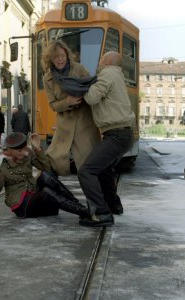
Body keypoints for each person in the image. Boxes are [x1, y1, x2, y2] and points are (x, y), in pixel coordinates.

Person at [76, 51, 136, 227]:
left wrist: (83, 90)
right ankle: (114, 205)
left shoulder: (108, 73)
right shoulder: (117, 75)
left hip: (116, 134)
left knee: (86, 171)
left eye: (102, 58)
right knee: (103, 169)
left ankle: (101, 214)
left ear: (108, 62)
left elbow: (92, 98)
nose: (99, 60)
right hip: (122, 134)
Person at [0, 132, 89, 219]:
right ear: (10, 150)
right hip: (22, 204)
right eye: (19, 151)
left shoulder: (27, 152)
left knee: (46, 176)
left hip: (33, 192)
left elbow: (47, 169)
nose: (23, 153)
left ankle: (78, 205)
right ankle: (85, 212)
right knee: (46, 192)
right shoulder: (0, 163)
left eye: (24, 149)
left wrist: (37, 148)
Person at [42, 40, 100, 176]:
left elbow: (92, 87)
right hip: (64, 126)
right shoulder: (47, 78)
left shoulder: (79, 69)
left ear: (67, 55)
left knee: (87, 165)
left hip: (84, 122)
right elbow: (52, 104)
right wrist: (67, 101)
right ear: (50, 59)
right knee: (55, 160)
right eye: (56, 57)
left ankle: (93, 195)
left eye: (62, 56)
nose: (60, 59)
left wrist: (82, 94)